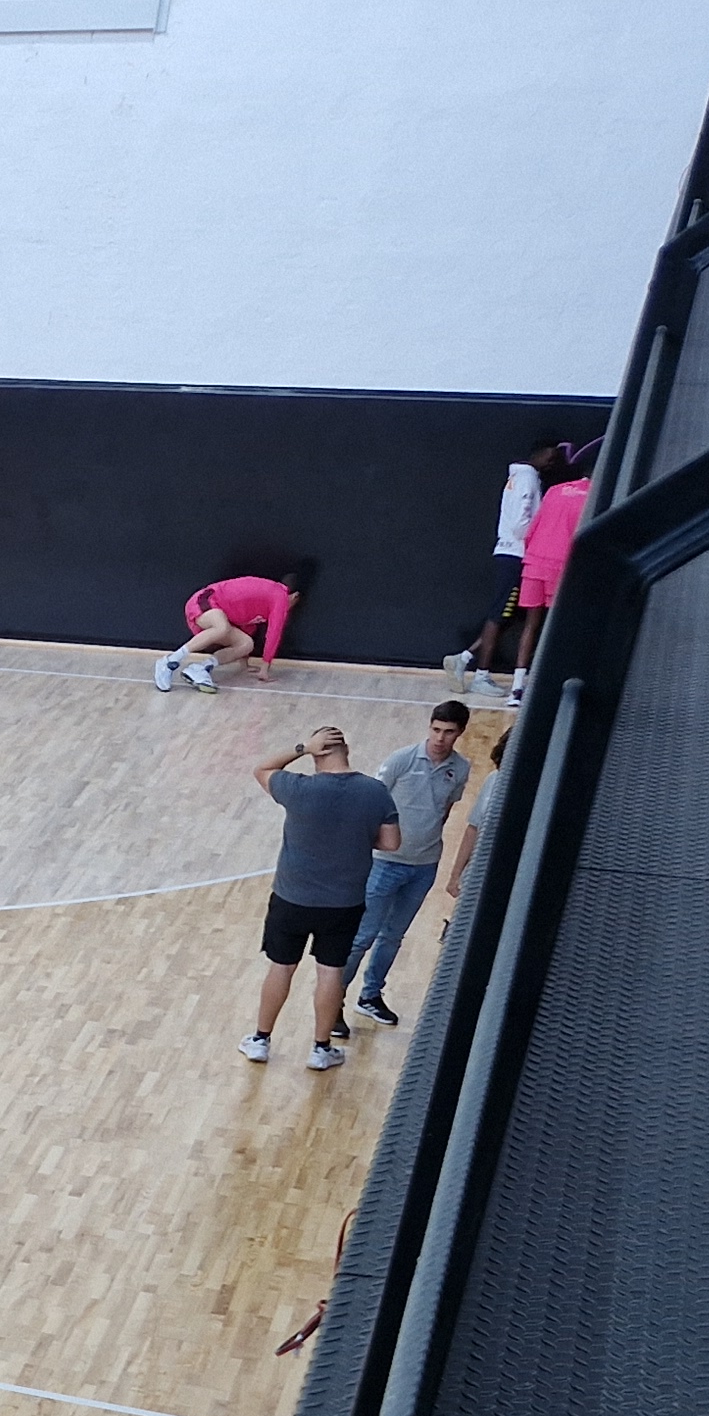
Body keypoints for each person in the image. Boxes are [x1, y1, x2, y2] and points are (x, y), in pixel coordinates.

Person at [239, 730, 401, 1070]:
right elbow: (391, 843)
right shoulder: (375, 792)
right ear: (347, 750)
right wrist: (356, 838)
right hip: (343, 904)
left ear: (316, 754)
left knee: (282, 967)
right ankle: (320, 1049)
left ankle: (261, 1041)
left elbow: (261, 769)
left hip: (291, 898)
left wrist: (300, 748)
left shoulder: (298, 788)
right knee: (330, 972)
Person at [348, 700, 477, 1028]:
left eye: (448, 732)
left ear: (460, 733)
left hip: (424, 866)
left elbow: (445, 809)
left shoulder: (460, 768)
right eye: (436, 729)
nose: (440, 738)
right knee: (363, 936)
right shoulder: (401, 760)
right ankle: (333, 1001)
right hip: (385, 863)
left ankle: (370, 996)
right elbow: (372, 801)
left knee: (393, 936)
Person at [444, 445, 576, 710]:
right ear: (537, 454)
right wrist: (538, 537)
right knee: (500, 613)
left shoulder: (520, 477)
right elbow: (519, 524)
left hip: (511, 553)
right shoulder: (527, 479)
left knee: (512, 613)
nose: (551, 463)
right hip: (516, 555)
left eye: (555, 460)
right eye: (549, 457)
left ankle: (465, 657)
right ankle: (481, 675)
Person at [503, 458, 594, 694]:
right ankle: (548, 685)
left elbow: (533, 527)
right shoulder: (594, 496)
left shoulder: (554, 490)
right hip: (561, 565)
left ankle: (516, 687)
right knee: (557, 626)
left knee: (530, 625)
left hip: (534, 561)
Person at [154, 570, 303, 693]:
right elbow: (274, 633)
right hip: (205, 601)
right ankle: (169, 661)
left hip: (216, 612)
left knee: (246, 644)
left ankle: (200, 668)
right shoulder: (280, 597)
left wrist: (244, 663)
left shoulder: (267, 600)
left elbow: (247, 627)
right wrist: (264, 669)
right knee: (221, 627)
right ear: (295, 596)